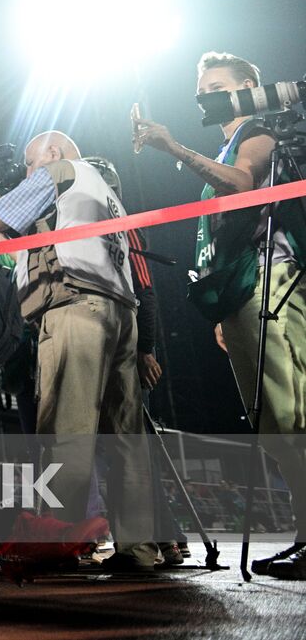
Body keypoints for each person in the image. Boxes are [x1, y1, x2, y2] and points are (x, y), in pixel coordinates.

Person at [133, 51, 306, 579]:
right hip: (239, 293)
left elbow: (243, 185)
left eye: (215, 85)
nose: (203, 95)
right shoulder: (226, 144)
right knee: (271, 421)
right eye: (199, 86)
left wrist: (172, 147)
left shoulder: (258, 129)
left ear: (247, 87)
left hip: (270, 281)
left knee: (292, 412)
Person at [0, 131, 157, 572]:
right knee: (125, 440)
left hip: (77, 306)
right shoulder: (107, 191)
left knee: (66, 431)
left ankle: (60, 541)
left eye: (30, 164)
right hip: (119, 311)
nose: (28, 173)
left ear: (51, 153)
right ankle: (140, 548)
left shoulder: (59, 169)